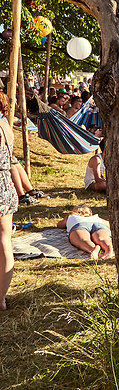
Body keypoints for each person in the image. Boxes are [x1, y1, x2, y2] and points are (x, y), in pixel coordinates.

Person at [0, 91, 17, 311]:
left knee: (4, 242)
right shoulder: (6, 126)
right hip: (5, 184)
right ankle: (1, 298)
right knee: (4, 241)